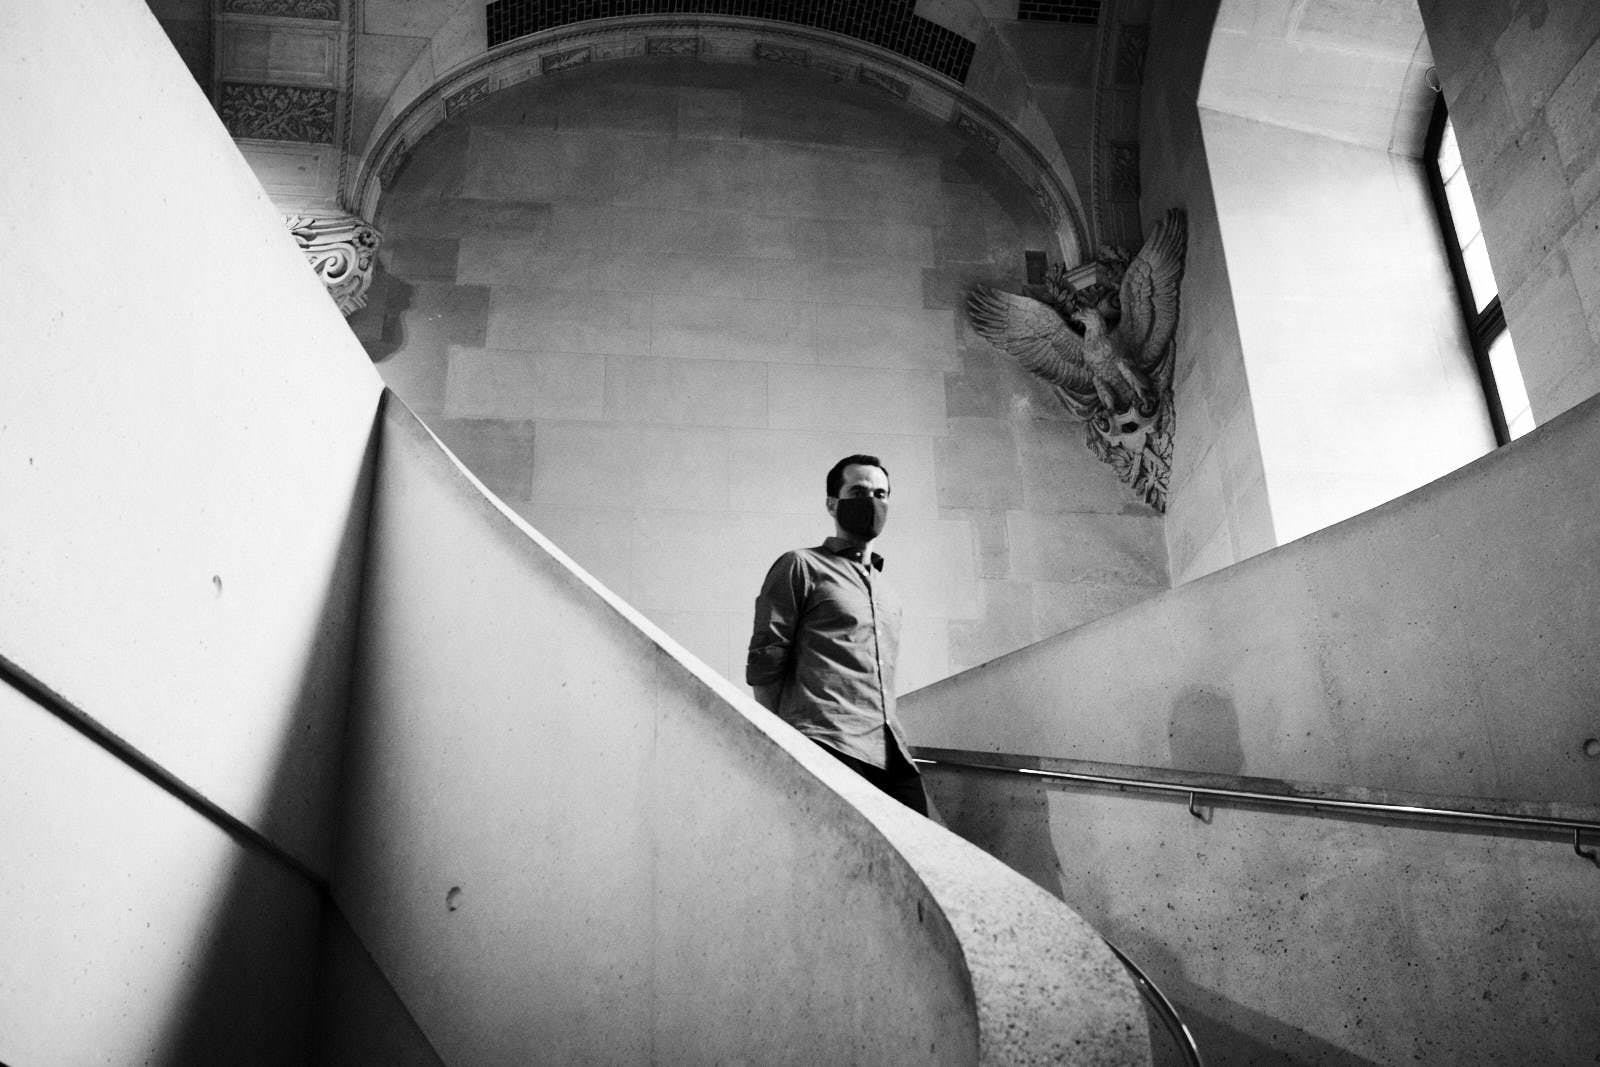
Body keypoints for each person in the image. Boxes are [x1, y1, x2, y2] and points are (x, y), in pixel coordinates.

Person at [745, 454, 929, 815]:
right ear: (833, 503)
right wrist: (784, 746)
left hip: (891, 750)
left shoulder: (887, 590)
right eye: (858, 491)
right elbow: (766, 660)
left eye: (881, 493)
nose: (872, 502)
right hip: (827, 741)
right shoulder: (800, 565)